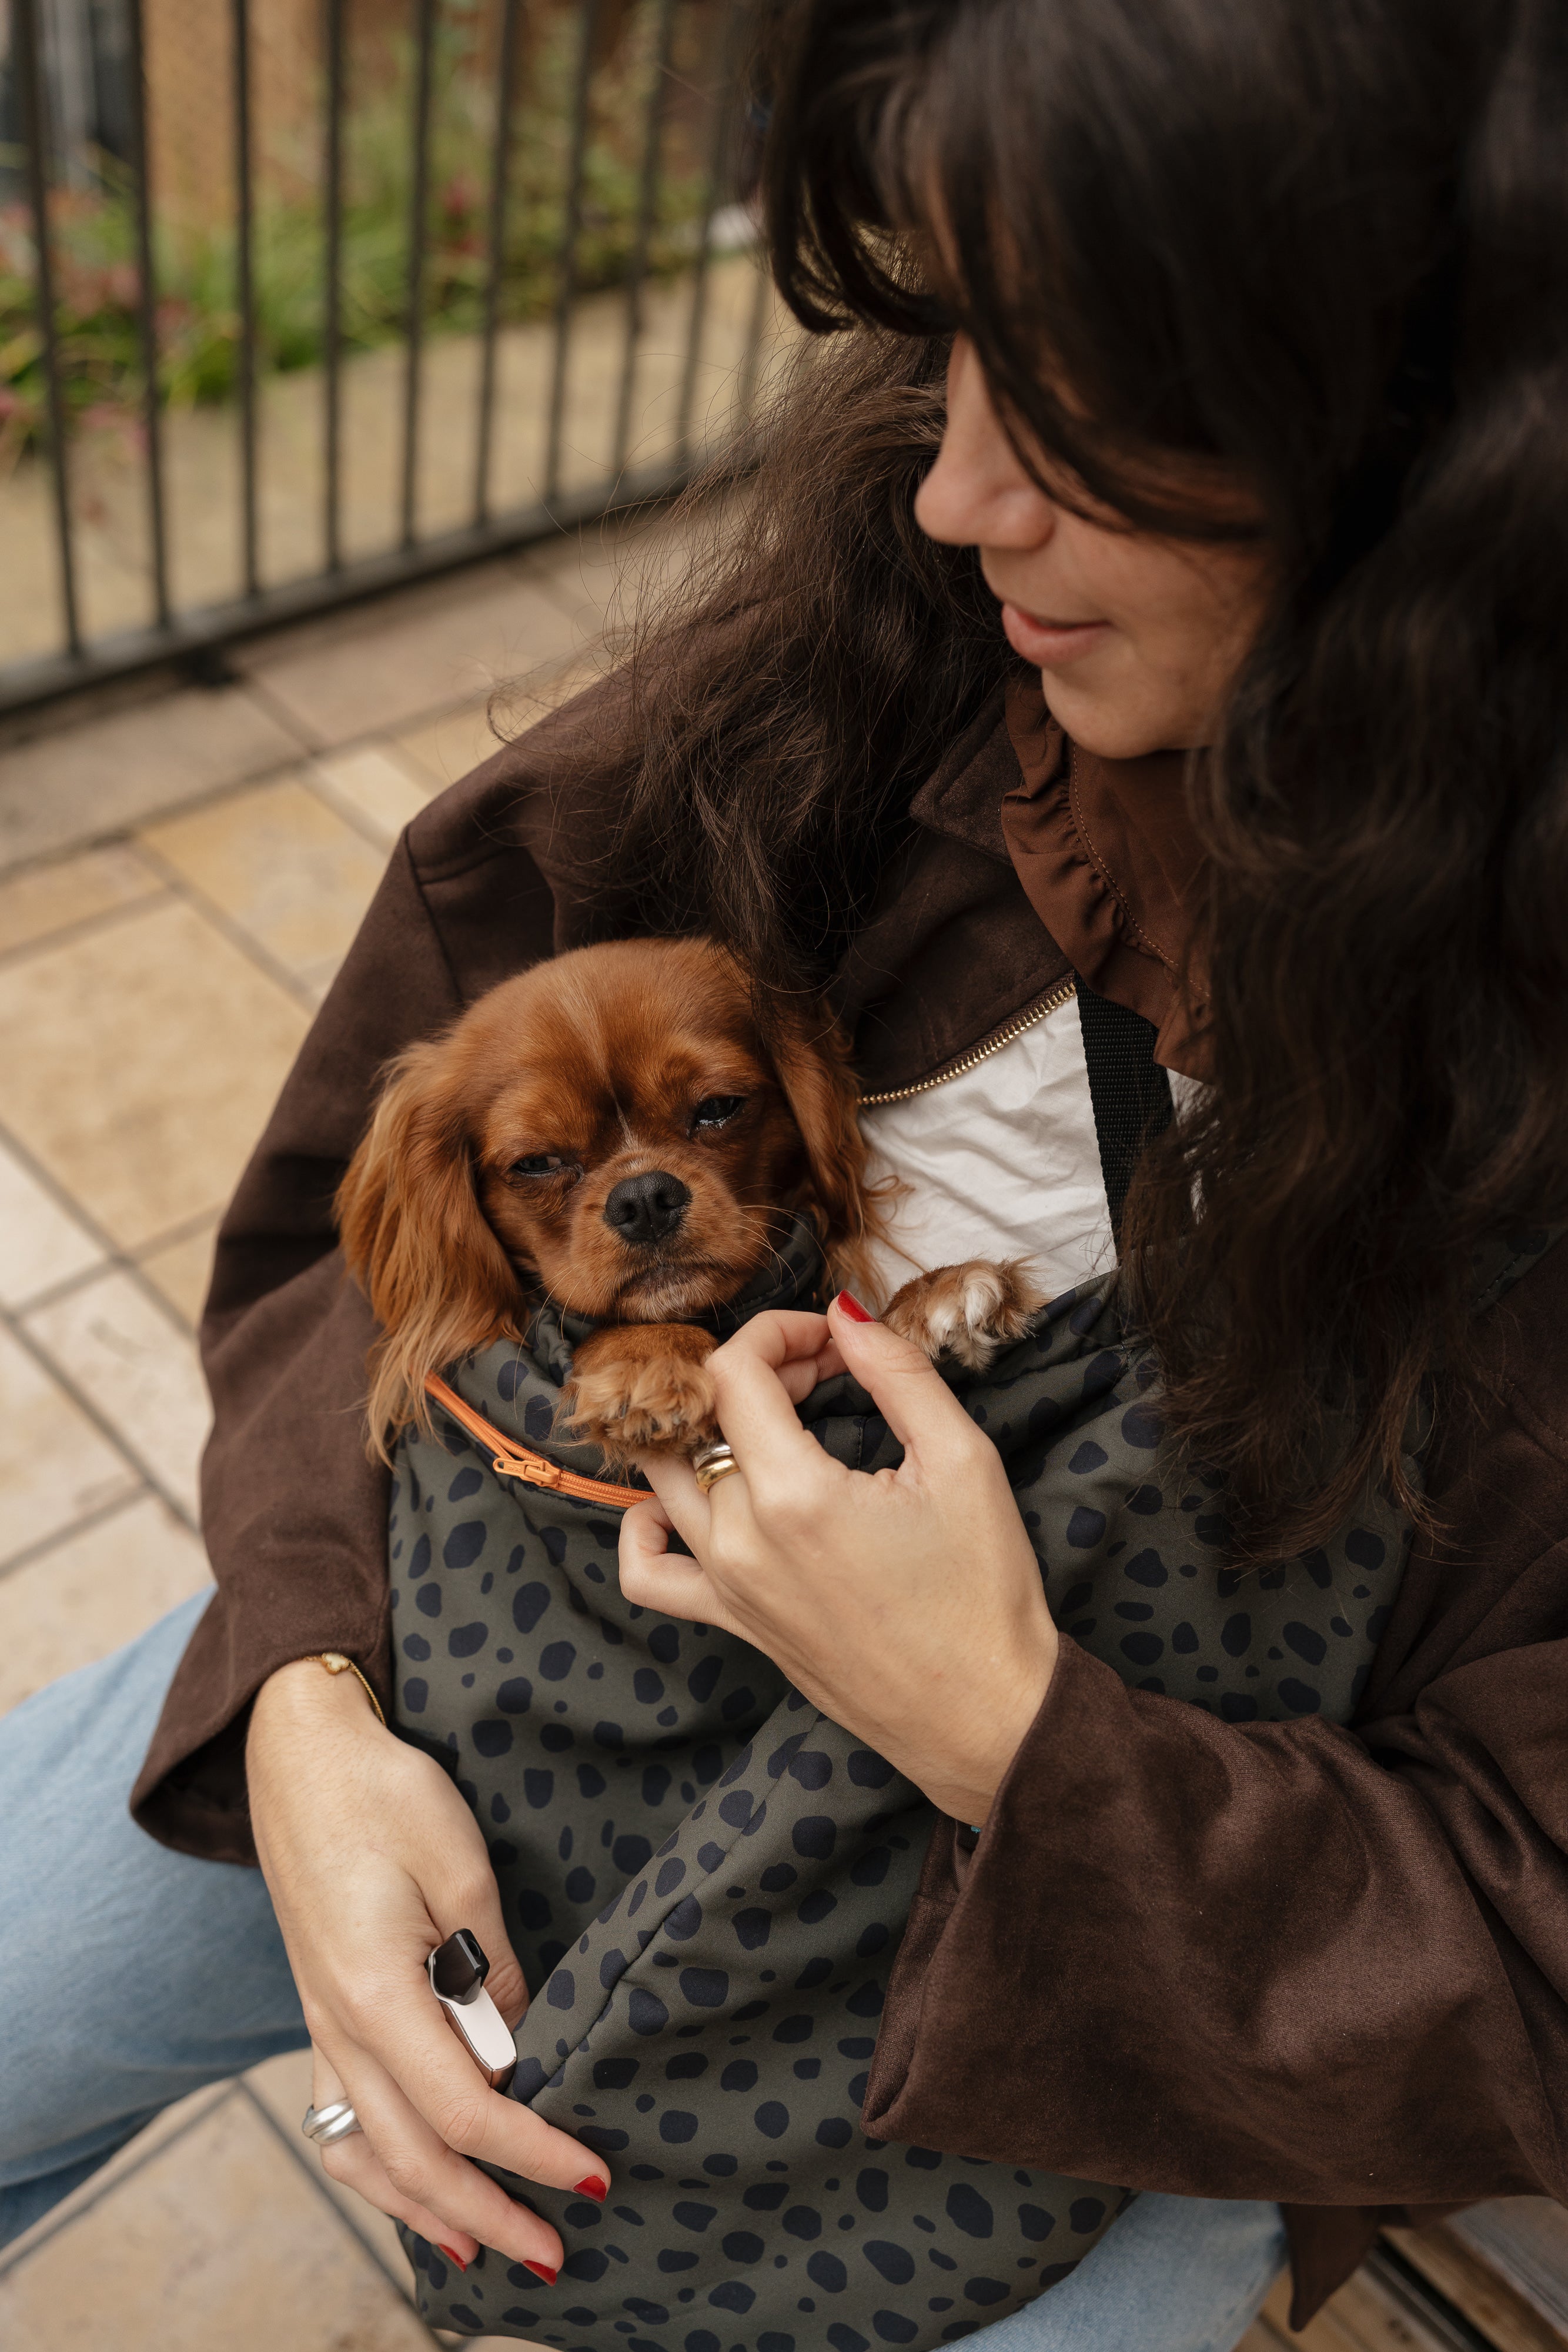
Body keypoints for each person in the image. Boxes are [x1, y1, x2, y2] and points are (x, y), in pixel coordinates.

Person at [5, 0, 1568, 2344]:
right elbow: (370, 1225)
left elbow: (1517, 1960)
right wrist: (311, 1702)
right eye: (957, 345)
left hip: (1107, 1976)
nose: (956, 489)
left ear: (1453, 451)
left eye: (1106, 403)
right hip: (502, 1646)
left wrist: (997, 1726)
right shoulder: (867, 659)